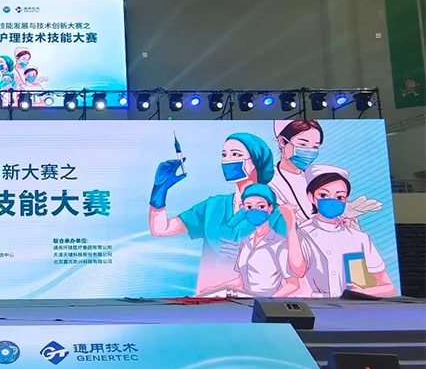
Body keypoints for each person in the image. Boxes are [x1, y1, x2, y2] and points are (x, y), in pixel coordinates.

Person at [148, 132, 286, 295]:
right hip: (207, 298)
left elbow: (291, 270)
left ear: (257, 161)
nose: (228, 161)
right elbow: (160, 229)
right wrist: (159, 191)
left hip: (254, 300)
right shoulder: (213, 206)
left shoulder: (277, 214)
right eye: (224, 155)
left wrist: (251, 255)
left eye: (236, 154)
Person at [292, 164, 396, 297]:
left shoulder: (359, 238)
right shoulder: (300, 234)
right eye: (323, 195)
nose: (332, 201)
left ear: (346, 199)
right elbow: (295, 279)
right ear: (311, 197)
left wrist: (364, 292)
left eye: (339, 197)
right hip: (315, 305)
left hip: (352, 306)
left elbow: (388, 287)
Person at [270, 120, 381, 223]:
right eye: (303, 145)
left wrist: (344, 216)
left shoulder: (316, 178)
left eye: (315, 147)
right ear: (282, 141)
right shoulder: (269, 180)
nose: (309, 151)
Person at [210, 184, 304, 297]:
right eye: (249, 207)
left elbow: (293, 284)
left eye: (261, 206)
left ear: (270, 208)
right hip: (245, 299)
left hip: (266, 302)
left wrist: (268, 302)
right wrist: (216, 289)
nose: (254, 211)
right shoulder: (245, 241)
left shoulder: (279, 244)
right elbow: (241, 280)